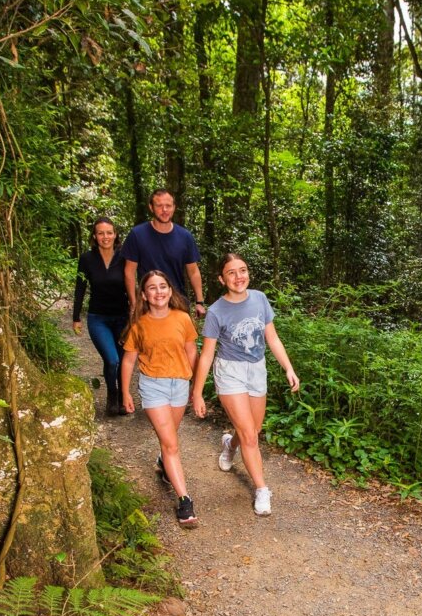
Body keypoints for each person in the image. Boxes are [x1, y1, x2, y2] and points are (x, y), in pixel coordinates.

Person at [191, 253, 300, 516]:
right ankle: (262, 489)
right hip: (230, 371)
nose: (239, 277)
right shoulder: (216, 311)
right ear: (221, 278)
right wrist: (197, 393)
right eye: (231, 272)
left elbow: (272, 338)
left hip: (256, 368)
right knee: (250, 435)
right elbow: (206, 355)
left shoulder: (260, 299)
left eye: (243, 270)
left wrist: (288, 367)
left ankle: (230, 446)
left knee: (254, 429)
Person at [121, 270, 201, 528]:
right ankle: (184, 500)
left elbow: (191, 352)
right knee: (171, 444)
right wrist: (125, 392)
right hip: (152, 386)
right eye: (152, 288)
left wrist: (194, 386)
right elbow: (129, 359)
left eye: (163, 286)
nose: (158, 292)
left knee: (170, 440)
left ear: (170, 291)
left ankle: (161, 461)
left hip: (179, 384)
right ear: (144, 294)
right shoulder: (139, 324)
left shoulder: (183, 318)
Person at [71, 217, 131, 416]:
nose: (105, 237)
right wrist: (76, 316)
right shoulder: (87, 258)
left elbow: (134, 284)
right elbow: (80, 288)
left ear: (115, 235)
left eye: (109, 233)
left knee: (122, 360)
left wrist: (138, 311)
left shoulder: (125, 257)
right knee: (112, 359)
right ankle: (112, 395)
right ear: (94, 236)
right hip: (98, 318)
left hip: (123, 318)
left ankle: (123, 398)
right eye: (100, 233)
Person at [121, 188, 208, 317]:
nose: (164, 210)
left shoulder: (185, 236)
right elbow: (129, 272)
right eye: (159, 206)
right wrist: (134, 303)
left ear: (174, 207)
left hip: (178, 302)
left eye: (168, 206)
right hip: (148, 303)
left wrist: (199, 301)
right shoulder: (137, 235)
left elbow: (193, 271)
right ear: (151, 207)